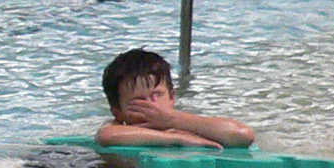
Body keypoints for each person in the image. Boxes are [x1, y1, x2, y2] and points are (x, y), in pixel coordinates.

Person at [94, 49, 256, 155]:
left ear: (172, 97)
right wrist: (178, 139)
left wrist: (171, 119)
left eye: (157, 95)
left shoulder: (186, 125)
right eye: (139, 101)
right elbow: (106, 135)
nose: (152, 105)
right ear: (118, 112)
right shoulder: (118, 128)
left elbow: (242, 135)